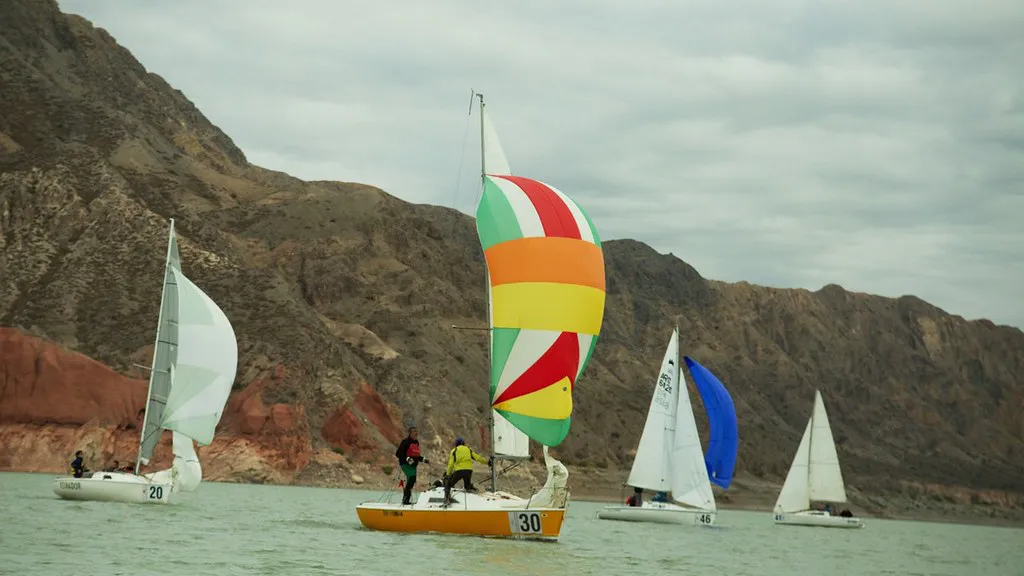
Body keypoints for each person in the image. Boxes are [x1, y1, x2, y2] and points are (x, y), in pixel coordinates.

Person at [443, 437, 489, 505]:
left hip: (459, 471)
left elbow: (450, 464)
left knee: (449, 484)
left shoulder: (454, 450)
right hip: (468, 471)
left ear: (456, 444)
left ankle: (446, 500)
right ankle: (475, 493)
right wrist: (487, 462)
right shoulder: (468, 449)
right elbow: (477, 458)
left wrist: (447, 474)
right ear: (463, 443)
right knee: (467, 486)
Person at [395, 426, 429, 505]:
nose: (416, 433)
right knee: (412, 478)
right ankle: (405, 500)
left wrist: (424, 459)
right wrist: (407, 459)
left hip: (413, 466)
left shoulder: (416, 442)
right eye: (414, 431)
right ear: (410, 433)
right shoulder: (405, 442)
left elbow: (416, 455)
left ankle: (406, 500)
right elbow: (398, 454)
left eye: (417, 431)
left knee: (411, 482)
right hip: (405, 464)